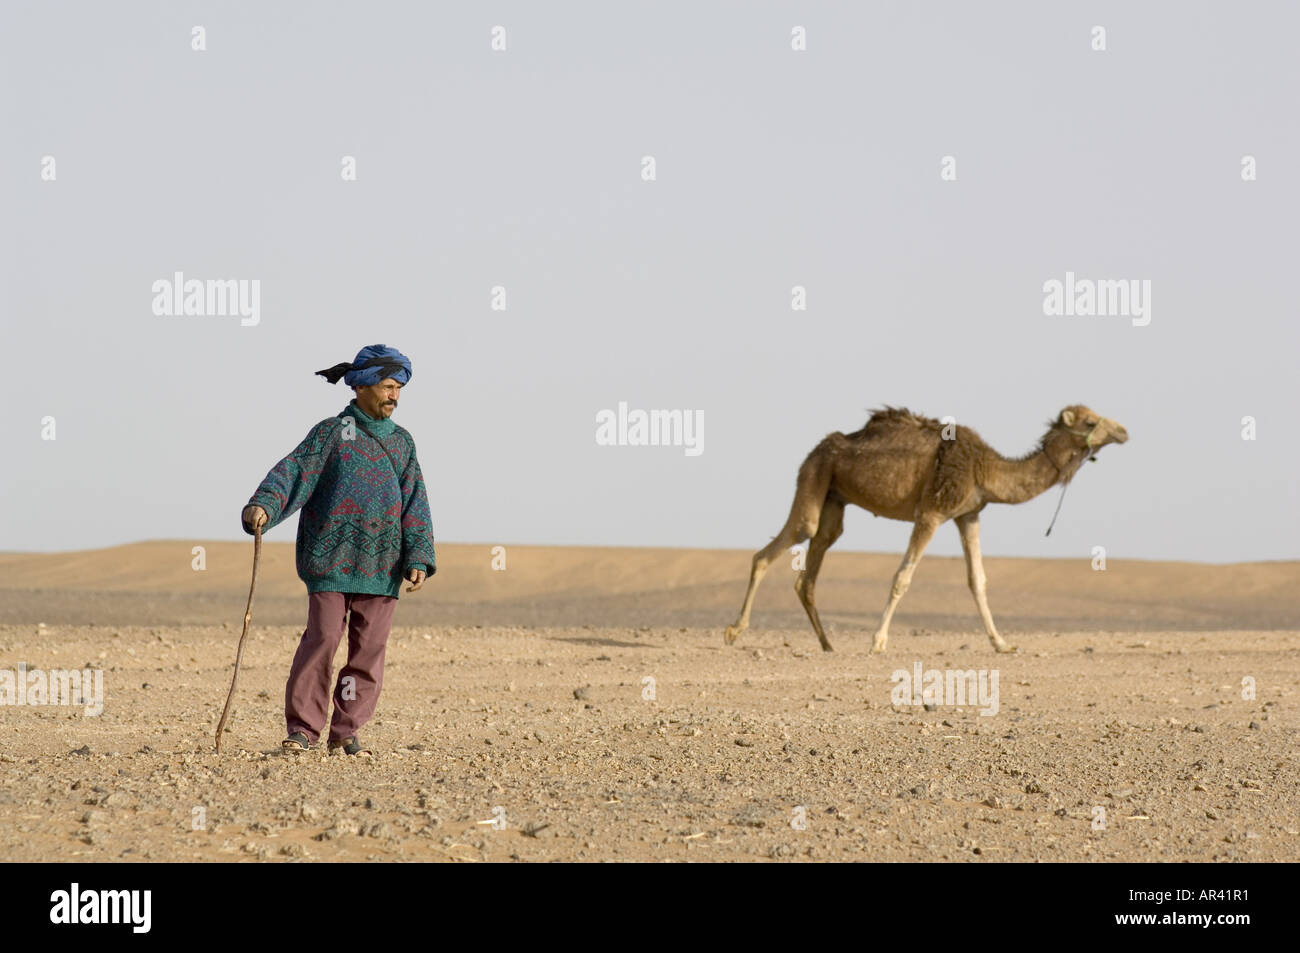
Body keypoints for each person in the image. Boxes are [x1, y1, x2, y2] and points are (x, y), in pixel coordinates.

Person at [240, 343, 436, 756]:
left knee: (367, 653)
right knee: (323, 640)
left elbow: (415, 499)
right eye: (387, 386)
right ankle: (303, 731)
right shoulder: (331, 433)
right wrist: (263, 506)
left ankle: (346, 731)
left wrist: (418, 554)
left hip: (383, 566)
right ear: (362, 386)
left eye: (399, 388)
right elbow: (293, 472)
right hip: (329, 562)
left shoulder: (402, 444)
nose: (394, 395)